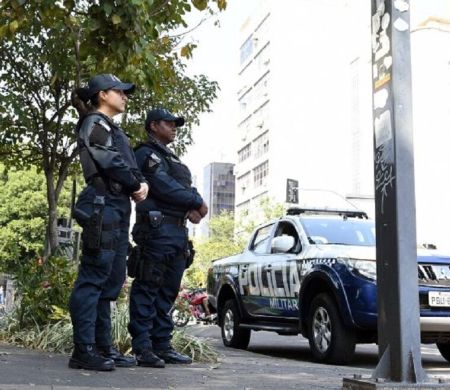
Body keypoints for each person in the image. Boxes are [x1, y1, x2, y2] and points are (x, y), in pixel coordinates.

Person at [69, 74, 149, 371]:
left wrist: (138, 183)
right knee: (92, 278)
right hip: (103, 204)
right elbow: (108, 159)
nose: (125, 96)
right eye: (120, 91)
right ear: (102, 95)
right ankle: (83, 350)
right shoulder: (95, 123)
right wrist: (135, 184)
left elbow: (125, 163)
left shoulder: (112, 127)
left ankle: (103, 347)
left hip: (116, 206)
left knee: (110, 281)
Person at [128, 108, 208, 368]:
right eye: (169, 123)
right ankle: (142, 347)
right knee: (148, 288)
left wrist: (192, 206)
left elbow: (183, 187)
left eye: (176, 124)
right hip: (157, 230)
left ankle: (161, 344)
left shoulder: (170, 157)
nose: (175, 127)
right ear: (153, 126)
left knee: (168, 292)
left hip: (176, 231)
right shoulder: (146, 153)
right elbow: (163, 185)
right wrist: (196, 201)